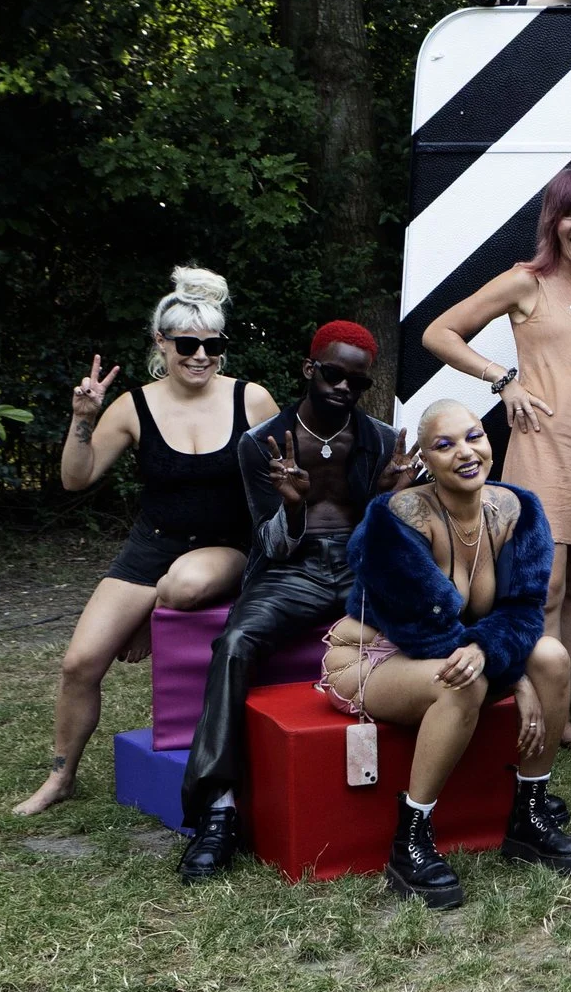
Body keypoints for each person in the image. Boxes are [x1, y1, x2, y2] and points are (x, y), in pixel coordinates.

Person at [17, 267, 279, 816]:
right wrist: (81, 419)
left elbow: (286, 475)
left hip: (225, 545)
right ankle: (60, 776)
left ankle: (152, 615)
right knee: (79, 663)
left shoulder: (250, 399)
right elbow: (75, 478)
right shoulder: (135, 405)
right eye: (188, 344)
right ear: (162, 343)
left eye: (214, 345)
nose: (201, 356)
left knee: (183, 587)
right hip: (153, 545)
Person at [317, 401, 571, 907]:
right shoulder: (396, 517)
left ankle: (529, 813)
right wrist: (512, 678)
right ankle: (412, 837)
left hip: (463, 656)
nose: (465, 453)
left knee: (550, 655)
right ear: (425, 458)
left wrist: (496, 655)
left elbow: (527, 610)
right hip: (372, 658)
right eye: (445, 445)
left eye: (474, 437)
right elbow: (420, 631)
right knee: (467, 681)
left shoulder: (518, 509)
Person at [176, 322, 419, 882]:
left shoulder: (381, 438)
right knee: (236, 642)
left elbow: (385, 537)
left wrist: (392, 502)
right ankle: (217, 812)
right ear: (310, 369)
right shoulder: (261, 442)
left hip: (360, 563)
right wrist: (290, 507)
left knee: (438, 623)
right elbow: (268, 544)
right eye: (333, 374)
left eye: (356, 382)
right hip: (293, 567)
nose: (343, 389)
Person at [424, 165, 571, 758]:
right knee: (545, 585)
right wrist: (503, 380)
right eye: (569, 213)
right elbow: (440, 332)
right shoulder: (525, 282)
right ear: (553, 222)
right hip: (543, 449)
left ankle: (562, 715)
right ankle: (530, 708)